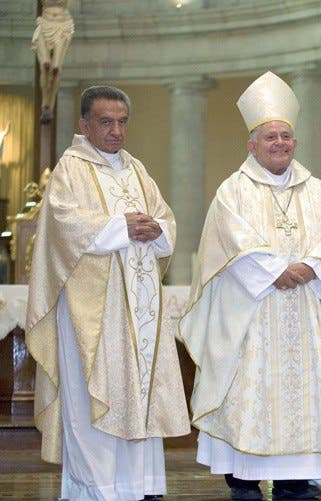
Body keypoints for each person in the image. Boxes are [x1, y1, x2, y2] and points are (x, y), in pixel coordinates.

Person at [179, 71, 321, 501]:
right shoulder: (232, 191)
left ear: (296, 142)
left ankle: (296, 479)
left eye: (286, 136)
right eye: (270, 137)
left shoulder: (317, 191)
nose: (280, 143)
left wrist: (309, 267)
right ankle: (243, 479)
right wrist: (275, 270)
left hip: (304, 309)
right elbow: (231, 239)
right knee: (249, 391)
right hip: (251, 312)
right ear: (251, 145)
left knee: (301, 394)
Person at [25, 85, 190, 499]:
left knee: (137, 395)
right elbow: (63, 225)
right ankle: (96, 489)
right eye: (105, 122)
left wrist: (157, 230)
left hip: (139, 307)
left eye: (122, 122)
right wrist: (122, 227)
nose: (116, 131)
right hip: (91, 311)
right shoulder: (70, 169)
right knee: (91, 397)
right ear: (85, 125)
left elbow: (165, 221)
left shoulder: (137, 170)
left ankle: (139, 485)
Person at [31, 0, 74, 122]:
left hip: (63, 26)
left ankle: (50, 104)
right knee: (45, 66)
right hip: (44, 24)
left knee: (56, 69)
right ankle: (45, 104)